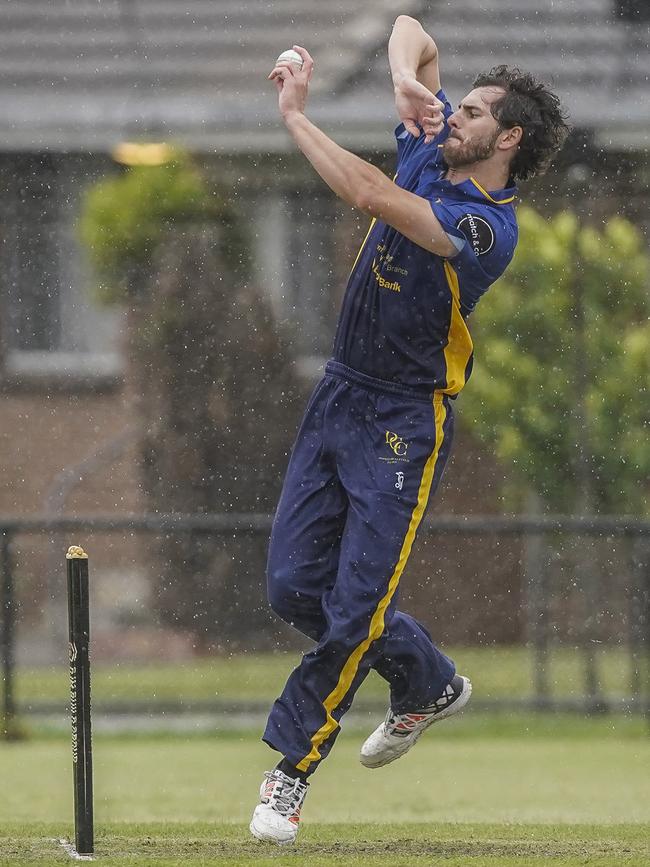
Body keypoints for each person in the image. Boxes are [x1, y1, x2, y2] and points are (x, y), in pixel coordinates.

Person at [250, 14, 569, 845]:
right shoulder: (436, 140)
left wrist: (295, 119)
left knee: (355, 608)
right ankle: (426, 679)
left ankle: (289, 772)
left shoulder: (486, 230)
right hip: (339, 395)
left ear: (509, 137)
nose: (449, 115)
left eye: (469, 111)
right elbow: (410, 28)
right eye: (452, 106)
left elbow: (367, 194)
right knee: (291, 588)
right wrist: (406, 79)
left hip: (404, 418)